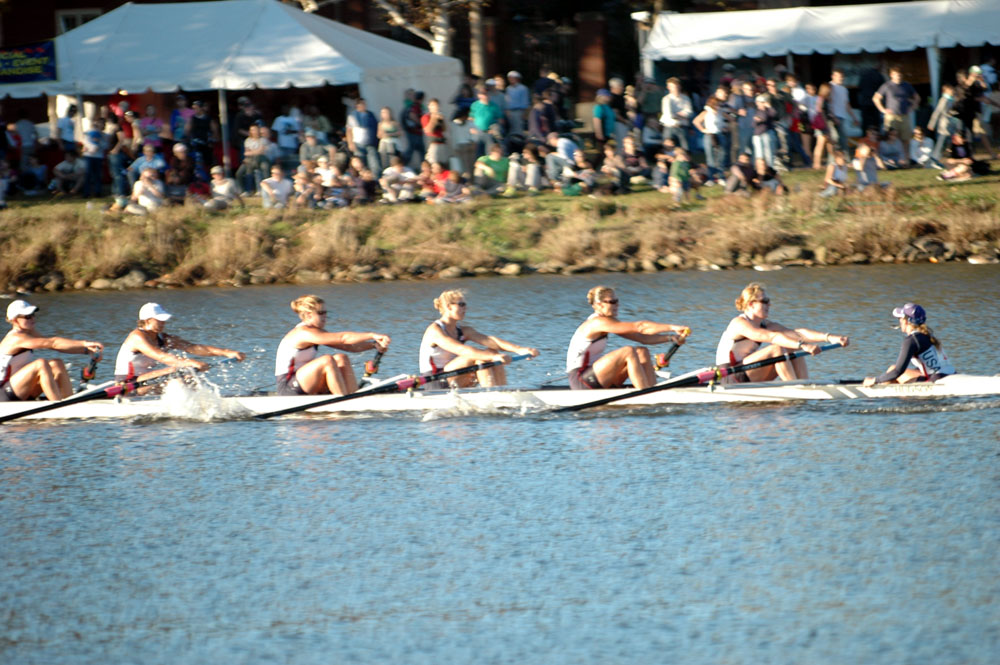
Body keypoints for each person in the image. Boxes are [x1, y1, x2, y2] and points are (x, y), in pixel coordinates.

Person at [715, 282, 849, 383]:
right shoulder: (739, 324)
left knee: (791, 347)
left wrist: (830, 337)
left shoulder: (765, 324)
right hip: (729, 376)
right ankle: (795, 390)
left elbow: (798, 334)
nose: (769, 305)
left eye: (769, 301)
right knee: (777, 349)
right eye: (765, 301)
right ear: (751, 304)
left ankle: (804, 385)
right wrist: (803, 345)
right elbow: (772, 337)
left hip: (747, 371)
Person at [566, 285, 689, 390]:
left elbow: (643, 337)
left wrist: (670, 338)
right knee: (628, 351)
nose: (617, 305)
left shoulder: (609, 322)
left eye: (617, 301)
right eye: (612, 302)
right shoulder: (597, 323)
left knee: (642, 352)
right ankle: (645, 395)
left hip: (597, 376)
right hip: (581, 380)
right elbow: (641, 327)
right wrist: (672, 327)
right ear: (599, 305)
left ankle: (651, 390)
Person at [418, 289, 538, 389]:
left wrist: (521, 350)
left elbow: (492, 341)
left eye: (465, 304)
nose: (465, 308)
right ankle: (492, 395)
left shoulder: (464, 331)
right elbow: (462, 350)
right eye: (461, 304)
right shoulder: (435, 330)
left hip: (453, 376)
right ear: (449, 307)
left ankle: (501, 390)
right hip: (435, 381)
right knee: (480, 357)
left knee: (490, 352)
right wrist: (493, 358)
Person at [275, 295, 391, 396]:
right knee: (327, 360)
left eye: (326, 312)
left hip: (305, 382)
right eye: (321, 313)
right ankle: (342, 400)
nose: (325, 316)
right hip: (288, 387)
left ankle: (353, 395)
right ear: (309, 315)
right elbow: (343, 338)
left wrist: (374, 345)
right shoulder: (303, 333)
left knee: (341, 358)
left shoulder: (316, 332)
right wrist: (371, 335)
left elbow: (349, 347)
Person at [114, 303, 244, 393]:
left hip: (145, 382)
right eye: (159, 320)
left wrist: (227, 353)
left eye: (163, 320)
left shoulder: (162, 337)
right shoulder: (137, 337)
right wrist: (190, 362)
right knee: (178, 372)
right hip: (127, 384)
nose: (163, 323)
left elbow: (193, 347)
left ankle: (206, 402)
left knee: (189, 377)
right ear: (147, 320)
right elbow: (161, 356)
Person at [1, 300, 104, 402]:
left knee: (56, 363)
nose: (32, 318)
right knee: (40, 364)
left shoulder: (30, 332)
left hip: (21, 389)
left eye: (33, 315)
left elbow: (55, 346)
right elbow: (53, 343)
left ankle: (69, 400)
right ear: (15, 320)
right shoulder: (15, 338)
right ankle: (57, 405)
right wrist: (84, 343)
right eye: (27, 317)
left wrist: (87, 350)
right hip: (5, 394)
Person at [863, 303, 954, 386]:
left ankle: (882, 398)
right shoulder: (929, 335)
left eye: (900, 318)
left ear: (905, 321)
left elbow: (897, 371)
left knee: (892, 369)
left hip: (936, 380)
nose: (899, 321)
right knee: (897, 373)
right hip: (952, 374)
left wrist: (875, 380)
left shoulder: (911, 340)